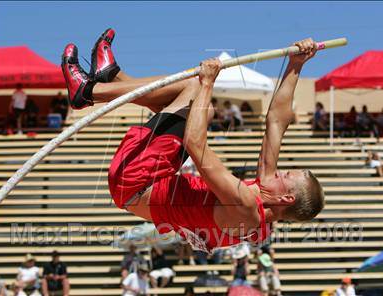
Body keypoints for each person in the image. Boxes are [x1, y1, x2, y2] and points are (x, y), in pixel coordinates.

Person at [61, 29, 325, 253]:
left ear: (286, 198)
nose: (279, 171)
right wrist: (295, 65)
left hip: (137, 179)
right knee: (202, 109)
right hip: (148, 182)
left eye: (286, 174)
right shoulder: (264, 200)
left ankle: (89, 91)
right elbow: (277, 122)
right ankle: (112, 77)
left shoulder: (246, 207)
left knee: (194, 89)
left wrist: (208, 83)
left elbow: (195, 144)